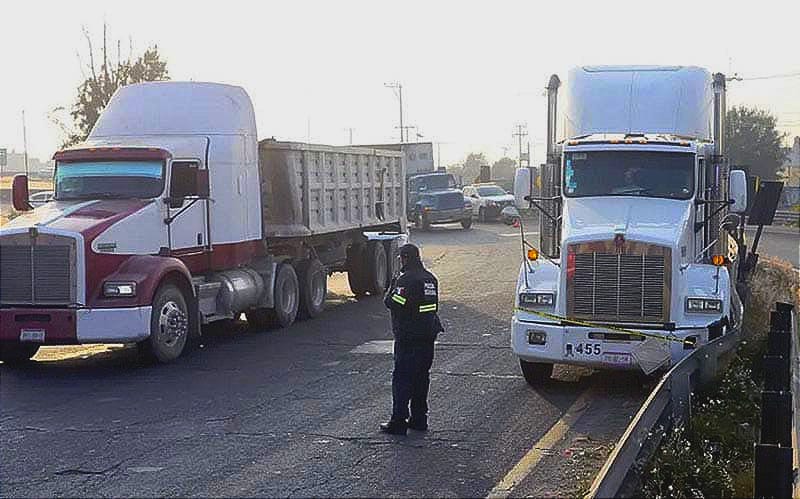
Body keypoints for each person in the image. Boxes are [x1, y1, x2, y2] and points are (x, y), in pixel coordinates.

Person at [380, 243, 444, 435]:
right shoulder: (430, 279)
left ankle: (398, 421)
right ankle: (419, 419)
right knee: (421, 378)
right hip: (427, 335)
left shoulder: (406, 280)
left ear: (405, 258)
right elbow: (429, 307)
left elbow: (394, 303)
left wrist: (391, 289)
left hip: (408, 337)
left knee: (402, 379)